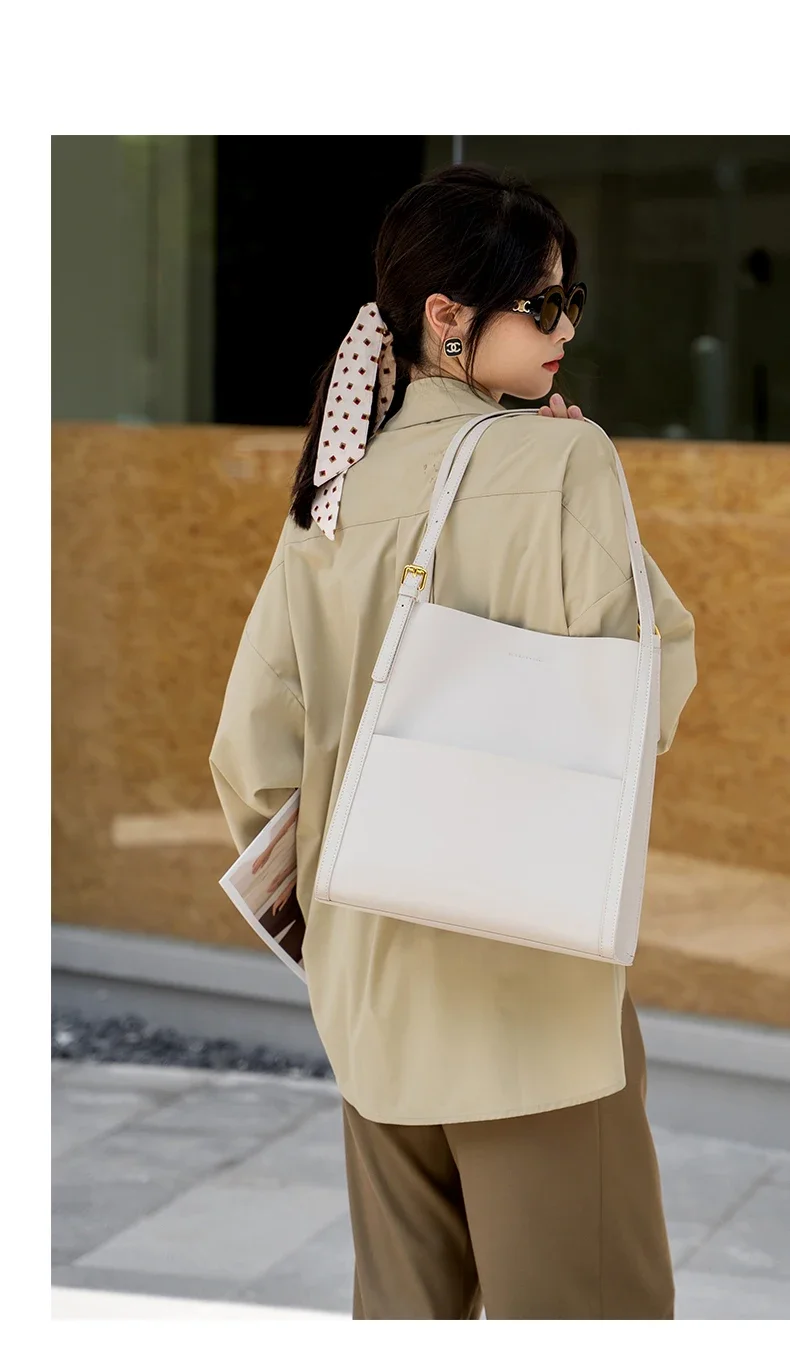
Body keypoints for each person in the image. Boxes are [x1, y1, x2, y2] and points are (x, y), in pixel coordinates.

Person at [209, 165, 697, 1320]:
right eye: (544, 303)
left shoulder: (336, 489)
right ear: (446, 316)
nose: (565, 328)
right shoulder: (564, 460)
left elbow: (249, 756)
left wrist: (340, 923)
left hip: (373, 991)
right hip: (529, 993)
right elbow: (647, 693)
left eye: (572, 302)